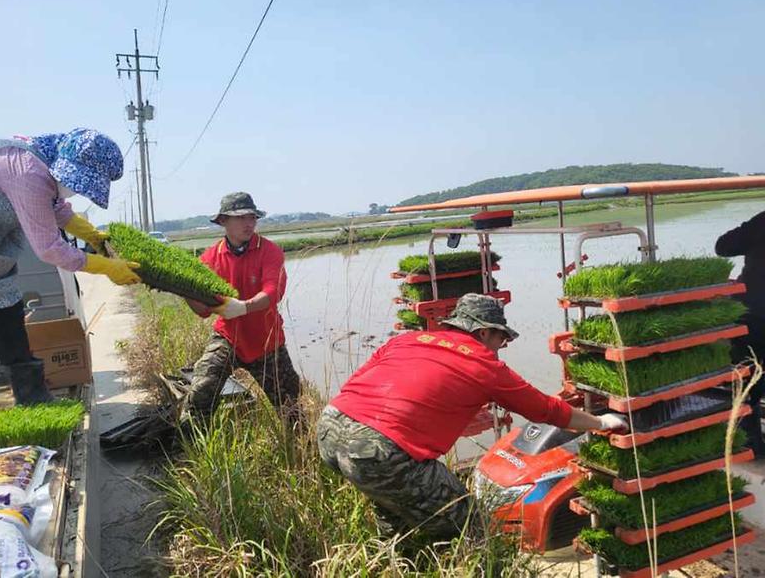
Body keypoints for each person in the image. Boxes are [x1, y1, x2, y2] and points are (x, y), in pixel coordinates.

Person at [317, 293, 628, 540]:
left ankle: (399, 561)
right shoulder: (483, 366)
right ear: (483, 332)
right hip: (379, 450)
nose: (500, 348)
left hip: (331, 428)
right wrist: (601, 422)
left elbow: (376, 389)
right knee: (472, 526)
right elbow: (546, 410)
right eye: (501, 339)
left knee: (393, 507)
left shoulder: (407, 340)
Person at [0, 129, 141, 405]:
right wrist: (107, 267)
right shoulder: (27, 172)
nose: (76, 190)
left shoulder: (40, 162)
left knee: (8, 318)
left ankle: (33, 398)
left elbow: (54, 206)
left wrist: (92, 235)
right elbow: (49, 249)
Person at [180, 192, 302, 425]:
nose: (249, 223)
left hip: (266, 341)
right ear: (223, 221)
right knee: (201, 388)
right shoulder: (210, 259)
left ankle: (299, 444)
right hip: (228, 337)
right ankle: (189, 439)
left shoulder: (269, 251)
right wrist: (182, 290)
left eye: (252, 217)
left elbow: (273, 292)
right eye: (240, 218)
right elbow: (202, 310)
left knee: (290, 405)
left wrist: (245, 307)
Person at [715, 211, 765, 458]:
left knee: (747, 382)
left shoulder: (762, 222)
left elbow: (723, 246)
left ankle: (750, 444)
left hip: (754, 314)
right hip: (756, 314)